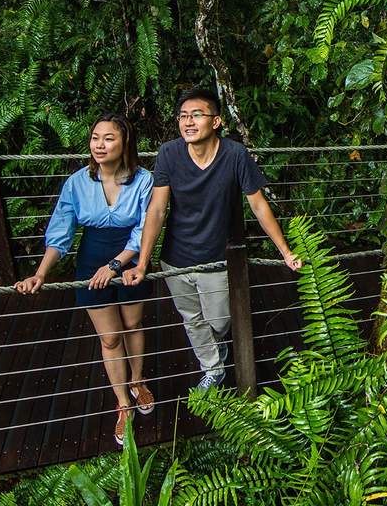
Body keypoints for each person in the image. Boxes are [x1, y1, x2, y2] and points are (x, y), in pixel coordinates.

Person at [125, 87, 301, 391]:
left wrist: (285, 251)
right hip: (176, 258)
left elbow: (258, 205)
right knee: (191, 319)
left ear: (216, 121)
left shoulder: (234, 154)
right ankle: (213, 369)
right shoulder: (169, 153)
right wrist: (143, 263)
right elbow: (157, 209)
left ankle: (215, 352)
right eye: (183, 116)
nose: (188, 122)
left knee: (219, 321)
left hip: (217, 258)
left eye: (196, 115)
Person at [15, 113, 154, 448]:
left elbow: (144, 229)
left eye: (109, 138)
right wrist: (41, 272)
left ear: (125, 143)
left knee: (133, 324)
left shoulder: (144, 180)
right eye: (95, 138)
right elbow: (61, 230)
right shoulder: (77, 182)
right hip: (92, 261)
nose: (99, 145)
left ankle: (137, 380)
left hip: (129, 260)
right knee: (110, 337)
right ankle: (122, 403)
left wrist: (116, 265)